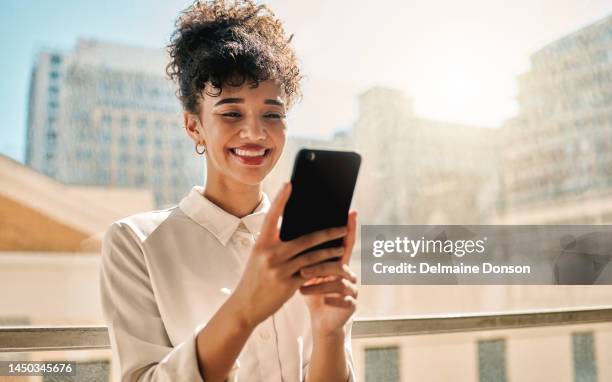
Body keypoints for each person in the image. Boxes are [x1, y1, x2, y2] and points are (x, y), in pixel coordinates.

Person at [99, 1, 359, 381]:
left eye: (272, 113)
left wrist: (330, 331)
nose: (255, 133)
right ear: (194, 127)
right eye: (231, 113)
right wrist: (246, 306)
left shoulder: (306, 243)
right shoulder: (136, 243)